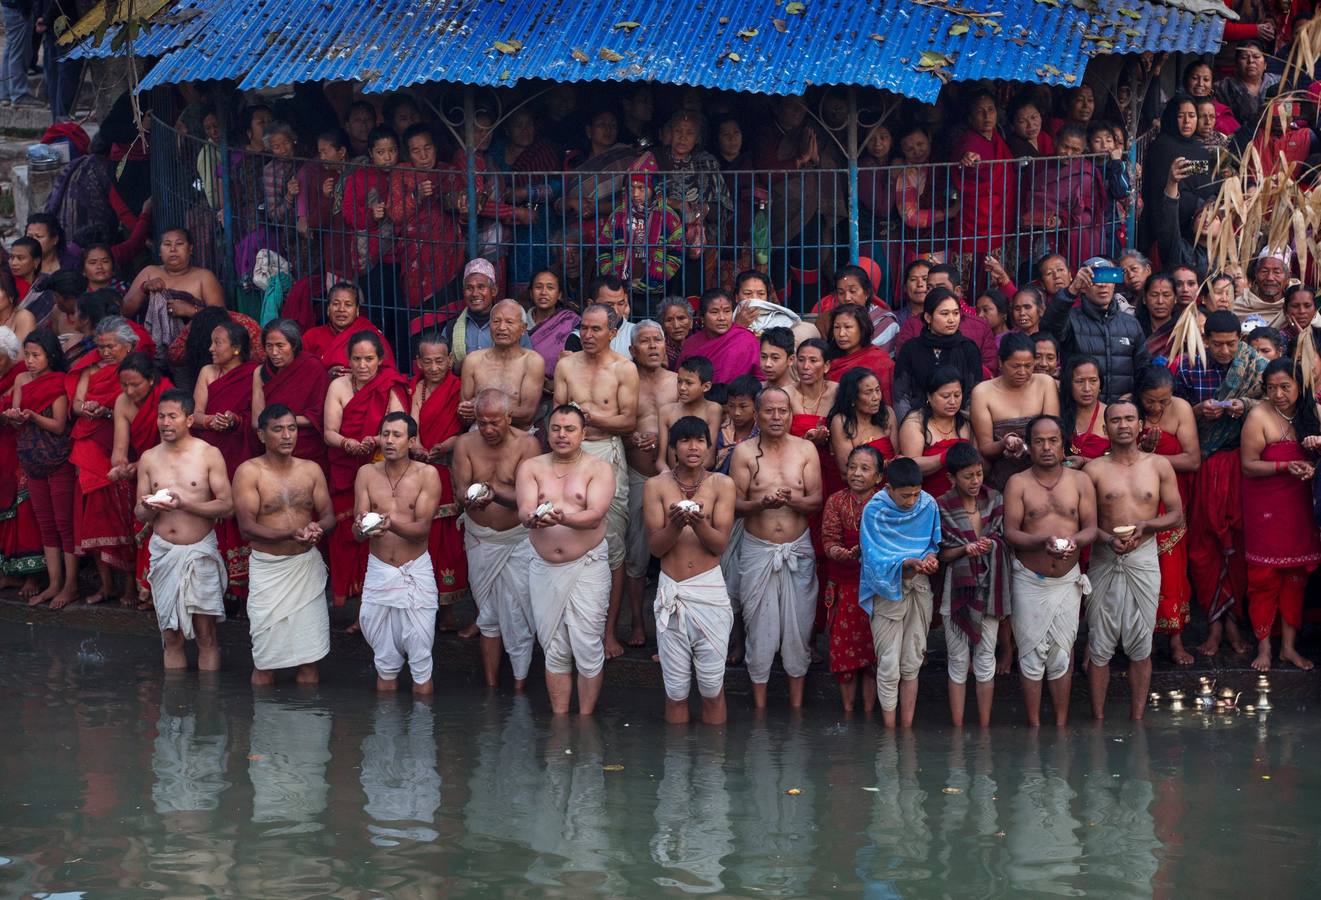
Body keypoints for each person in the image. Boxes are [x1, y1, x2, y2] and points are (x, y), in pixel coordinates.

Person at [1173, 311, 1266, 657]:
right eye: (1218, 344)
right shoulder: (1188, 365)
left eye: (1231, 343)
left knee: (1238, 544)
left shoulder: (1255, 364)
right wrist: (1198, 411)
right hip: (1203, 465)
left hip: (1242, 466)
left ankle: (1233, 623)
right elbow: (1171, 410)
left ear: (1239, 340)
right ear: (1206, 339)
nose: (1225, 350)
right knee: (1204, 546)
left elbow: (1276, 402)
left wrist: (1246, 405)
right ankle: (1214, 623)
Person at [1084, 401, 1183, 721]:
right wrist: (1108, 539)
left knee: (1142, 641)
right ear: (1105, 428)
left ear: (1141, 425)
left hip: (1143, 555)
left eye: (1129, 419)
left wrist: (1145, 527)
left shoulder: (1158, 466)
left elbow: (1176, 514)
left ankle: (1137, 719)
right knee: (1099, 641)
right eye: (1116, 420)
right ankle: (1098, 719)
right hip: (1104, 555)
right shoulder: (1094, 469)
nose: (1123, 425)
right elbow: (1084, 524)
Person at [553, 303, 640, 659]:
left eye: (596, 329)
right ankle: (567, 626)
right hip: (566, 457)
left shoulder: (624, 368)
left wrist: (588, 418)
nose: (587, 336)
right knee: (565, 534)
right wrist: (576, 424)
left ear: (613, 332)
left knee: (612, 542)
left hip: (605, 455)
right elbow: (558, 416)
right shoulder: (565, 365)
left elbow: (628, 421)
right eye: (584, 328)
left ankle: (608, 632)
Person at [516, 404, 616, 715]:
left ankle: (585, 720)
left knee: (587, 645)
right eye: (556, 428)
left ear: (584, 434)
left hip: (586, 565)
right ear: (546, 432)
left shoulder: (599, 468)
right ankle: (560, 723)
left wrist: (565, 519)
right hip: (545, 567)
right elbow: (524, 512)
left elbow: (595, 515)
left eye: (570, 429)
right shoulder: (531, 467)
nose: (562, 435)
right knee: (555, 648)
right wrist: (534, 519)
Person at [728, 387, 822, 709]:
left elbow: (815, 500)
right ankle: (759, 708)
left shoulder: (806, 449)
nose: (776, 417)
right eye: (769, 411)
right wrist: (760, 504)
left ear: (791, 414)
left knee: (799, 631)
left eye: (783, 411)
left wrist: (791, 500)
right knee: (760, 631)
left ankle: (796, 708)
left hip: (797, 548)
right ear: (757, 415)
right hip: (758, 548)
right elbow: (734, 505)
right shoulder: (743, 452)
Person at [1004, 415, 1098, 727]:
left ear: (1063, 444)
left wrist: (1075, 541)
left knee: (1061, 653)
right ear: (1029, 446)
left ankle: (1059, 725)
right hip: (1030, 579)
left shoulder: (1080, 481)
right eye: (1040, 441)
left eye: (1053, 440)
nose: (1046, 447)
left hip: (1067, 581)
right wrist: (1040, 541)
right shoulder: (1018, 483)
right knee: (1030, 656)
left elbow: (1091, 529)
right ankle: (1033, 726)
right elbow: (1011, 533)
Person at [232, 404, 336, 686]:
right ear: (262, 435)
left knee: (309, 662)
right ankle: (266, 728)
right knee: (265, 663)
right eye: (278, 429)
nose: (287, 435)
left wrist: (318, 528)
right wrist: (289, 533)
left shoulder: (311, 470)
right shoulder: (249, 472)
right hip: (269, 572)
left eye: (292, 428)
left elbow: (328, 516)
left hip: (304, 569)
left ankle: (311, 728)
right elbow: (247, 527)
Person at [644, 415, 737, 724]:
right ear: (673, 447)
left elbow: (720, 545)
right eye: (685, 440)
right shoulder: (656, 485)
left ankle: (713, 768)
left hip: (709, 591)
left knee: (712, 688)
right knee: (676, 691)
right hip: (672, 588)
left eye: (700, 440)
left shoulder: (722, 484)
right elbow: (656, 548)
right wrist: (674, 525)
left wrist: (698, 524)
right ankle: (676, 769)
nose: (693, 447)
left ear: (709, 448)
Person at [135, 389, 234, 671]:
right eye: (161, 416)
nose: (165, 423)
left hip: (199, 551)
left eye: (172, 416)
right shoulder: (149, 458)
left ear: (189, 419)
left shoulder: (208, 454)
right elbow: (139, 512)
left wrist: (187, 504)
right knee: (171, 636)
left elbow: (227, 506)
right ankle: (173, 712)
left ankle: (209, 708)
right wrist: (150, 507)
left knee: (206, 634)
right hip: (164, 552)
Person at [453, 389, 542, 689]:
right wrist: (469, 499)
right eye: (481, 423)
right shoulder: (465, 443)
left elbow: (528, 498)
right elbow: (459, 490)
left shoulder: (528, 445)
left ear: (508, 417)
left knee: (519, 613)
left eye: (495, 422)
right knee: (487, 615)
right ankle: (491, 686)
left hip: (517, 540)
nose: (488, 430)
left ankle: (519, 685)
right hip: (481, 539)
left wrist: (495, 494)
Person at [354, 412, 443, 694]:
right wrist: (362, 529)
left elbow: (422, 529)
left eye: (397, 435)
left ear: (412, 441)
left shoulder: (427, 475)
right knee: (384, 661)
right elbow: (357, 531)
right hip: (379, 570)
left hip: (414, 570)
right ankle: (386, 734)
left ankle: (421, 734)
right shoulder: (366, 473)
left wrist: (392, 524)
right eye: (385, 434)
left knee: (420, 661)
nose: (388, 440)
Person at [1241, 359, 1321, 672]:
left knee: (1295, 577)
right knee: (1263, 578)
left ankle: (1288, 648)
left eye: (1285, 387)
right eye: (1271, 387)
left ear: (1299, 386)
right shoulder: (1259, 415)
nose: (1278, 394)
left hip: (1300, 505)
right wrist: (1284, 466)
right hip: (1266, 509)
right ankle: (1264, 647)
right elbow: (1248, 464)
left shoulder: (1311, 413)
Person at [323, 331, 408, 608]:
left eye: (369, 359)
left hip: (379, 467)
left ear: (380, 360)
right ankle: (354, 600)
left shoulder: (389, 386)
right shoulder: (338, 387)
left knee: (377, 531)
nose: (362, 365)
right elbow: (329, 432)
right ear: (348, 360)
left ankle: (376, 602)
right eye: (357, 359)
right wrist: (347, 443)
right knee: (346, 532)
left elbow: (397, 429)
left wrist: (376, 441)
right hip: (344, 467)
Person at [858, 456, 940, 728]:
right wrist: (905, 565)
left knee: (912, 662)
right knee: (889, 664)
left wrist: (928, 559)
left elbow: (931, 545)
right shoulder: (874, 511)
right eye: (905, 496)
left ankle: (906, 729)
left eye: (916, 494)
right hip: (887, 591)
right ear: (887, 488)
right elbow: (873, 559)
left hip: (919, 589)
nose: (911, 501)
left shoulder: (928, 505)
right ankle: (890, 731)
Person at [936, 442, 1012, 727]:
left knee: (985, 660)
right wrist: (965, 550)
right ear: (951, 478)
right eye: (968, 476)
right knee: (957, 661)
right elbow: (942, 553)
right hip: (955, 591)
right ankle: (957, 729)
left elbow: (1005, 539)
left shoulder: (995, 499)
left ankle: (983, 727)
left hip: (990, 588)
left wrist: (989, 544)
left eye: (978, 474)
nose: (975, 481)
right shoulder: (941, 506)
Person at [70, 316, 138, 606]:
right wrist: (87, 409)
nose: (106, 353)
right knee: (91, 517)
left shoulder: (135, 372)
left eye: (111, 347)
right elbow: (76, 403)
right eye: (101, 347)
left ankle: (131, 587)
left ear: (128, 346)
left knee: (121, 518)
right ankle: (107, 584)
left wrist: (108, 413)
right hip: (88, 447)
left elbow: (137, 403)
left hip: (118, 447)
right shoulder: (92, 370)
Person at [193, 318, 260, 605]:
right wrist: (210, 420)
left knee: (240, 507)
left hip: (239, 447)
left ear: (235, 349)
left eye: (217, 343)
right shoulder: (207, 372)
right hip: (211, 449)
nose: (210, 348)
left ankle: (242, 589)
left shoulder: (253, 372)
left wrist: (234, 419)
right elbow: (194, 414)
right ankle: (213, 586)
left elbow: (256, 415)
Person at [7, 328, 75, 609]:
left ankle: (70, 586)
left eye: (37, 355)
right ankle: (53, 583)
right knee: (46, 524)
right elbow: (15, 418)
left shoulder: (58, 381)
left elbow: (59, 426)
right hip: (31, 459)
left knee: (64, 524)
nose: (31, 360)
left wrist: (33, 416)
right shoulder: (22, 379)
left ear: (51, 356)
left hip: (57, 458)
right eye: (28, 355)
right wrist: (12, 416)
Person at [620, 321, 677, 648]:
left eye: (658, 340)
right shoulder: (625, 381)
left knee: (677, 550)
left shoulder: (678, 382)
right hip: (638, 475)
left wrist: (664, 439)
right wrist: (631, 438)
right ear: (632, 350)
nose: (654, 346)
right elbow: (614, 425)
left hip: (674, 477)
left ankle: (671, 626)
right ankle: (638, 624)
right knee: (636, 555)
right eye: (645, 341)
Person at [409, 331, 469, 629]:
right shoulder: (416, 389)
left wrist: (446, 445)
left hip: (447, 467)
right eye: (427, 362)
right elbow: (411, 423)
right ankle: (422, 605)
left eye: (439, 361)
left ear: (450, 360)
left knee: (448, 539)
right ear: (418, 362)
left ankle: (447, 610)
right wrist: (416, 444)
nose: (433, 368)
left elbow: (465, 430)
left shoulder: (458, 389)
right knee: (424, 537)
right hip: (419, 468)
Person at [821, 445, 885, 714]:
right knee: (845, 653)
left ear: (879, 476)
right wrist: (846, 554)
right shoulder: (835, 501)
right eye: (852, 467)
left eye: (865, 468)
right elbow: (828, 542)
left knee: (873, 655)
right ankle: (848, 712)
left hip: (877, 588)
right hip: (844, 585)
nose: (856, 473)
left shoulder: (885, 502)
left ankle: (870, 712)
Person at [107, 352, 172, 608]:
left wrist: (138, 465)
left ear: (152, 381)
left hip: (169, 469)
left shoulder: (168, 398)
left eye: (135, 384)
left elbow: (172, 442)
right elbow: (119, 451)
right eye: (124, 385)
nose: (129, 390)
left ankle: (161, 593)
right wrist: (120, 468)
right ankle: (142, 589)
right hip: (141, 473)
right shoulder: (122, 402)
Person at [1042, 263, 1149, 402]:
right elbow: (1048, 328)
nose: (1102, 284)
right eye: (1095, 279)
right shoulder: (1070, 319)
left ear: (1114, 284)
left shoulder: (1131, 323)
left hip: (1121, 413)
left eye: (1107, 277)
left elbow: (1143, 368)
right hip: (1079, 410)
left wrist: (1135, 396)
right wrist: (1072, 290)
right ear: (1083, 287)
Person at [971, 332, 1059, 491]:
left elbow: (1053, 432)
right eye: (1015, 366)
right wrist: (1004, 443)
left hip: (1043, 469)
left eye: (1028, 365)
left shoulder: (1045, 383)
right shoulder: (982, 392)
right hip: (1003, 475)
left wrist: (1026, 447)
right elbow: (985, 447)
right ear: (1000, 362)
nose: (1023, 372)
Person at [121, 227, 225, 355]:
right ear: (159, 250)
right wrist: (144, 288)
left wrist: (191, 310)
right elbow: (124, 311)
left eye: (179, 244)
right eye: (167, 244)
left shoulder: (204, 277)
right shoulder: (149, 272)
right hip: (149, 351)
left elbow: (221, 317)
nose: (173, 249)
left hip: (193, 352)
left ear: (190, 249)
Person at [0, 326, 45, 599]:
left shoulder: (21, 375)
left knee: (24, 507)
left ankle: (33, 574)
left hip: (20, 447)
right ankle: (6, 572)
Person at [892, 289, 983, 422]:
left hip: (959, 423)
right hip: (917, 423)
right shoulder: (911, 348)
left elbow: (973, 395)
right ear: (928, 317)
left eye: (956, 313)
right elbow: (901, 396)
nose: (952, 319)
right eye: (945, 314)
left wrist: (962, 426)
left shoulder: (968, 348)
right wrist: (910, 426)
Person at [251, 319, 330, 469]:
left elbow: (318, 417)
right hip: (272, 443)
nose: (274, 353)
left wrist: (280, 422)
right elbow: (256, 421)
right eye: (269, 346)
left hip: (305, 444)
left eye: (280, 346)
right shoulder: (261, 372)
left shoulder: (312, 367)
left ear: (293, 345)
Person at [458, 299, 544, 429]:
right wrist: (464, 411)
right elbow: (464, 416)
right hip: (478, 433)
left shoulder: (532, 361)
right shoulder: (473, 360)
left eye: (509, 322)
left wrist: (480, 409)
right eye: (496, 321)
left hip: (518, 435)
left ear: (523, 328)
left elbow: (527, 415)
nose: (501, 327)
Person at [898, 367, 974, 498]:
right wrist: (946, 457)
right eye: (945, 396)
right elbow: (911, 466)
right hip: (928, 498)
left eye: (957, 395)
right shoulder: (915, 423)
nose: (952, 401)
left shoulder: (966, 421)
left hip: (964, 496)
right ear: (929, 396)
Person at [302, 282, 396, 377]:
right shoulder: (312, 336)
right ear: (328, 309)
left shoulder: (370, 334)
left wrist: (360, 375)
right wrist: (325, 375)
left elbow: (388, 373)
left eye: (348, 305)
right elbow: (302, 373)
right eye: (336, 304)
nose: (341, 309)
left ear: (357, 310)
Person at [827, 367, 898, 483]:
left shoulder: (887, 414)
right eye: (868, 392)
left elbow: (896, 455)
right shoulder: (841, 422)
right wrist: (882, 466)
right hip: (857, 487)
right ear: (853, 397)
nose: (876, 398)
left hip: (889, 485)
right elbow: (846, 471)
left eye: (877, 390)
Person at [677, 288, 761, 385]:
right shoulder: (691, 344)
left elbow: (760, 377)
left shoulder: (746, 339)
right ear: (702, 317)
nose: (722, 318)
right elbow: (680, 379)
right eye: (714, 312)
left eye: (727, 311)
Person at [657, 355, 722, 473]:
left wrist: (688, 479)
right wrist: (669, 476)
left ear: (706, 386)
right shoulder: (666, 412)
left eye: (689, 383)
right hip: (672, 478)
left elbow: (709, 459)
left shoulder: (713, 410)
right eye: (679, 381)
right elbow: (660, 461)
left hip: (700, 481)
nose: (682, 387)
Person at [826, 304, 895, 403]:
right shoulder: (828, 358)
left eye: (848, 327)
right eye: (836, 327)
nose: (841, 334)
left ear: (862, 328)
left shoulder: (880, 360)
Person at [526, 269, 579, 381]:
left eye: (550, 287)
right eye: (538, 287)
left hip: (561, 387)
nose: (543, 292)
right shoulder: (519, 323)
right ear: (531, 293)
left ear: (559, 294)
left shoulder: (571, 320)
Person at [1060, 356, 1111, 466]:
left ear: (1100, 384)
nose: (1087, 388)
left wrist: (1085, 462)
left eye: (1093, 381)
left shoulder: (1112, 415)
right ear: (1069, 384)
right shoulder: (1057, 411)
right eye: (1079, 381)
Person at [658, 296, 693, 371]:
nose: (676, 326)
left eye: (681, 318)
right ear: (662, 325)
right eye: (669, 320)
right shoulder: (658, 348)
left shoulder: (699, 345)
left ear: (691, 322)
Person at [758, 326, 795, 391]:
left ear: (790, 359)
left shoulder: (799, 395)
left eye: (775, 358)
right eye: (763, 357)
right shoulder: (756, 390)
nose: (767, 364)